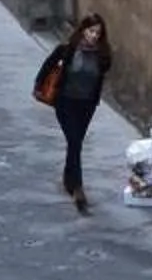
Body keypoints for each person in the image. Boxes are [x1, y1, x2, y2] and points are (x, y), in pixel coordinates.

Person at [47, 13, 112, 213]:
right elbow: (47, 66)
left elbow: (100, 77)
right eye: (91, 31)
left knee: (75, 144)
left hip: (86, 106)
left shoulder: (103, 55)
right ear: (83, 30)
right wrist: (40, 89)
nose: (93, 36)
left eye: (98, 33)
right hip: (65, 103)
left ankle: (68, 179)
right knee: (75, 142)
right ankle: (78, 190)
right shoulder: (67, 50)